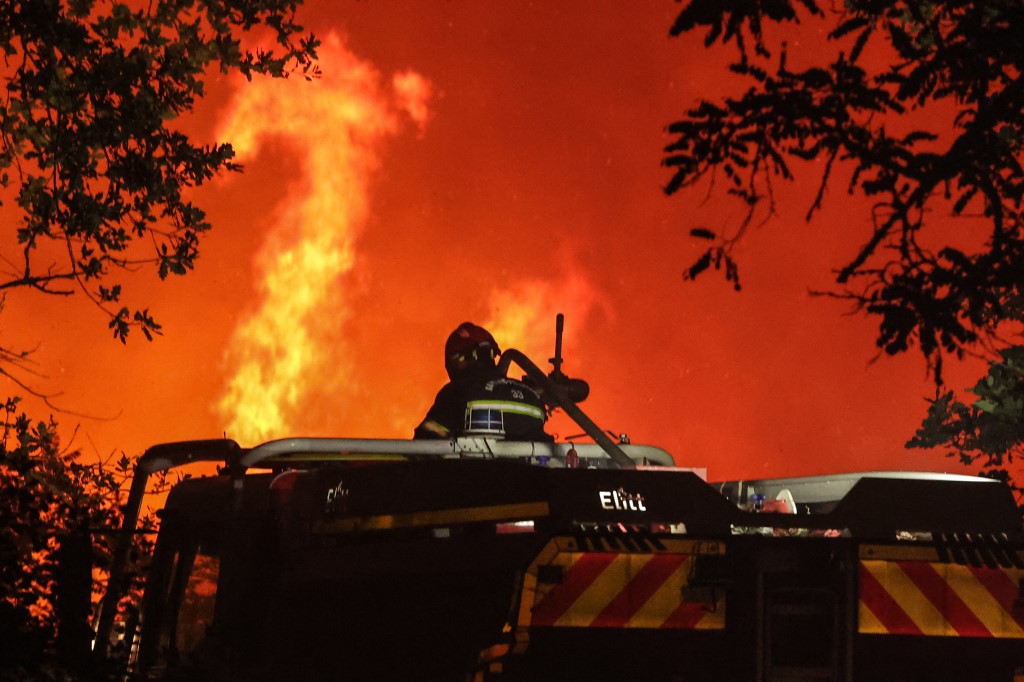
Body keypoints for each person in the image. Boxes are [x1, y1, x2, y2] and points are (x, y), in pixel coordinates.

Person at [414, 322, 551, 441]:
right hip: (529, 471)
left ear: (458, 360)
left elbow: (426, 441)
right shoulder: (531, 395)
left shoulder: (456, 392)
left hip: (474, 471)